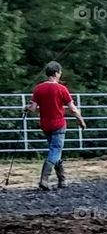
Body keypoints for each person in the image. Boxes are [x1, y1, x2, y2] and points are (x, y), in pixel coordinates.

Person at [23, 61, 86, 190]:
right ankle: (44, 180)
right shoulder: (62, 89)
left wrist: (26, 107)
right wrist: (80, 120)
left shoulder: (38, 88)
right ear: (56, 73)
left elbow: (33, 109)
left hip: (45, 125)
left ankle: (62, 180)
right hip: (58, 125)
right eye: (60, 73)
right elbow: (73, 109)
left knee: (55, 151)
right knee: (55, 151)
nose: (60, 75)